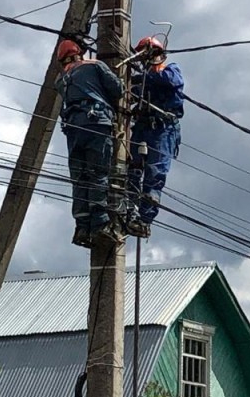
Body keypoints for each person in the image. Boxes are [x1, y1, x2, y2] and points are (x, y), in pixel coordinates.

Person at [54, 39, 124, 248]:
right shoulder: (95, 66)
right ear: (79, 54)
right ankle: (100, 224)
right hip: (96, 123)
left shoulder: (61, 79)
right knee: (97, 172)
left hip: (73, 129)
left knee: (80, 177)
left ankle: (82, 227)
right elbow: (118, 89)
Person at [126, 35, 184, 239]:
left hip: (163, 129)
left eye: (145, 57)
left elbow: (170, 81)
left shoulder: (170, 70)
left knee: (154, 173)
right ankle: (128, 213)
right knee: (132, 170)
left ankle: (144, 220)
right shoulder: (143, 80)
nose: (143, 63)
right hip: (143, 126)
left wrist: (140, 79)